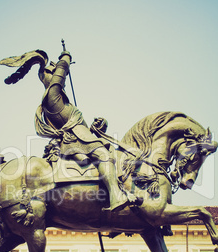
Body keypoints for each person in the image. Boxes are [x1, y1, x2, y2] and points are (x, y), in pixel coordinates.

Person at [34, 50, 140, 212]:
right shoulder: (52, 97)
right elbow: (59, 78)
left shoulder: (63, 103)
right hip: (75, 141)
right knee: (104, 156)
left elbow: (83, 128)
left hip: (82, 138)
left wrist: (97, 127)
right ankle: (115, 196)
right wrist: (65, 59)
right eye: (55, 74)